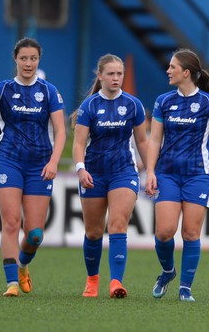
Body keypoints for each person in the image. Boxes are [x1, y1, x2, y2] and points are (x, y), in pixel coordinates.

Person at [0, 37, 66, 297]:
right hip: (8, 161)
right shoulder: (5, 88)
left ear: (39, 60)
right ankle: (11, 283)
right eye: (24, 58)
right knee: (11, 222)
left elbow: (60, 131)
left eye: (33, 58)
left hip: (40, 166)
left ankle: (23, 265)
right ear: (16, 60)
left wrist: (54, 161)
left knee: (34, 235)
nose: (28, 63)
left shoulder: (49, 92)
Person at [144, 48, 209, 302]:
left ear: (186, 72)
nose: (168, 70)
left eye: (172, 67)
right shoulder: (163, 101)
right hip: (167, 174)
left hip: (197, 175)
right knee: (164, 232)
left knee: (191, 234)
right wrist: (150, 171)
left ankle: (185, 288)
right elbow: (155, 139)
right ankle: (168, 271)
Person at [72, 53, 148, 299]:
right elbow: (79, 143)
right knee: (93, 232)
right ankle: (92, 280)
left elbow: (143, 141)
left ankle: (116, 282)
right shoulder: (89, 106)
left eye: (120, 74)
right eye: (111, 74)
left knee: (118, 224)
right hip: (93, 174)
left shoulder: (133, 105)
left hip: (123, 172)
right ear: (100, 76)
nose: (116, 78)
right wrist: (81, 168)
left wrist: (152, 171)